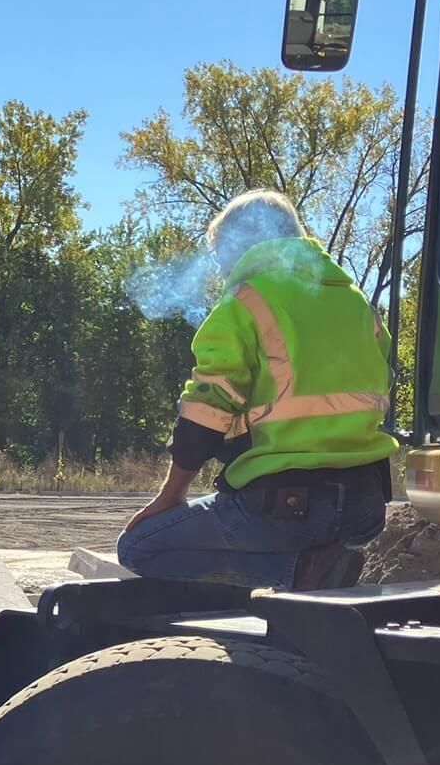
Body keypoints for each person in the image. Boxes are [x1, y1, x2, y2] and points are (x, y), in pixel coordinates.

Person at [118, 189, 397, 589]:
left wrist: (171, 495)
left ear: (239, 244)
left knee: (140, 547)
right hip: (365, 505)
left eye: (220, 256)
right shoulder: (357, 304)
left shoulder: (244, 302)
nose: (220, 268)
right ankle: (319, 566)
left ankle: (297, 574)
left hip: (286, 507)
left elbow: (206, 410)